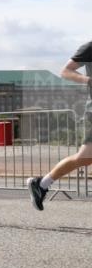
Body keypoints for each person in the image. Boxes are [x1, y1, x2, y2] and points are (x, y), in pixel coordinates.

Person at [28, 40, 92, 209]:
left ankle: (41, 183)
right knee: (84, 158)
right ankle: (41, 184)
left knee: (86, 158)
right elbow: (65, 71)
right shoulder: (90, 47)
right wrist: (89, 80)